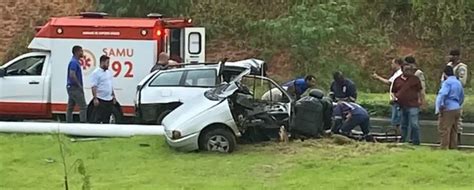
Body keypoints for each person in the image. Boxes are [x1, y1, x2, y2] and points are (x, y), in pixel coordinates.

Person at [391, 64, 422, 145]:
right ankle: (403, 140)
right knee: (403, 124)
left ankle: (416, 141)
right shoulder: (397, 80)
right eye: (406, 69)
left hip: (413, 104)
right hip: (401, 105)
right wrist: (394, 98)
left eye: (410, 70)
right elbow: (393, 91)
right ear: (402, 70)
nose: (408, 71)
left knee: (414, 124)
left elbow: (419, 91)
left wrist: (420, 100)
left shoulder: (415, 79)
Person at [441, 49, 468, 142]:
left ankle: (457, 139)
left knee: (457, 119)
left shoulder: (462, 67)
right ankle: (445, 139)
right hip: (446, 93)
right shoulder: (448, 66)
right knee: (444, 119)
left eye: (452, 55)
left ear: (457, 56)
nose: (450, 57)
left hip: (456, 95)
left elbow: (462, 82)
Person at [372, 58, 404, 132]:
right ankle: (397, 135)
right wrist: (378, 77)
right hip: (394, 100)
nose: (391, 65)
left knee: (397, 120)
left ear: (397, 64)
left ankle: (399, 136)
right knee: (395, 120)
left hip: (397, 100)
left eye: (392, 63)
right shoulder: (396, 73)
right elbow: (389, 82)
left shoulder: (400, 74)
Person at [436, 66, 464, 149]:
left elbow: (443, 94)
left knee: (445, 129)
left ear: (444, 74)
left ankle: (444, 148)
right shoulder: (458, 82)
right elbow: (462, 96)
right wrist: (458, 104)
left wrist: (439, 106)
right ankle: (453, 147)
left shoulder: (447, 83)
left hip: (447, 108)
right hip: (457, 107)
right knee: (454, 130)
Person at [90, 55, 116, 123]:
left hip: (109, 99)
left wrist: (113, 96)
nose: (108, 65)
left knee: (107, 117)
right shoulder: (96, 73)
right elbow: (94, 86)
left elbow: (110, 85)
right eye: (107, 63)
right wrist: (95, 98)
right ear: (102, 62)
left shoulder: (108, 72)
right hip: (101, 99)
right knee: (99, 117)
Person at [66, 46, 87, 123]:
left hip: (71, 87)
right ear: (77, 52)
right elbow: (72, 74)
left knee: (70, 107)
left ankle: (68, 123)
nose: (82, 53)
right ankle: (83, 123)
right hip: (74, 87)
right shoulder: (74, 62)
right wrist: (79, 85)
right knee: (83, 106)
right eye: (81, 51)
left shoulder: (75, 61)